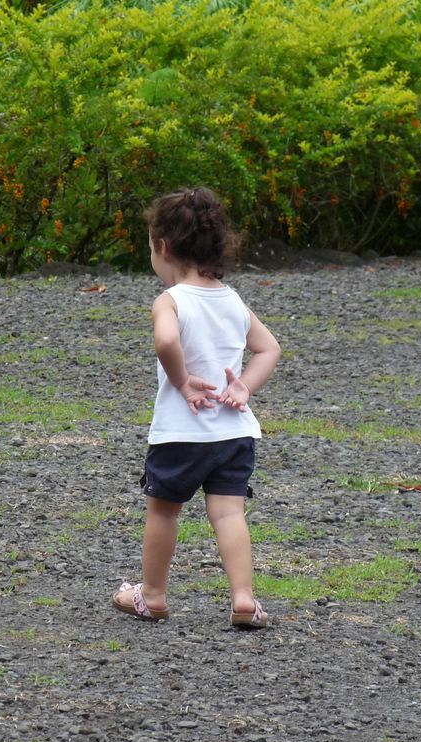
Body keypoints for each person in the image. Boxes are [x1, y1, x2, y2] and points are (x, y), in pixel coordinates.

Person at [113, 186, 281, 629]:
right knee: (229, 513)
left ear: (163, 247)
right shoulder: (232, 299)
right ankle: (244, 599)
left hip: (180, 433)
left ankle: (152, 596)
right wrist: (243, 387)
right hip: (233, 432)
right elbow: (269, 349)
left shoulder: (170, 300)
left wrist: (183, 381)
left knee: (163, 511)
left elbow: (167, 340)